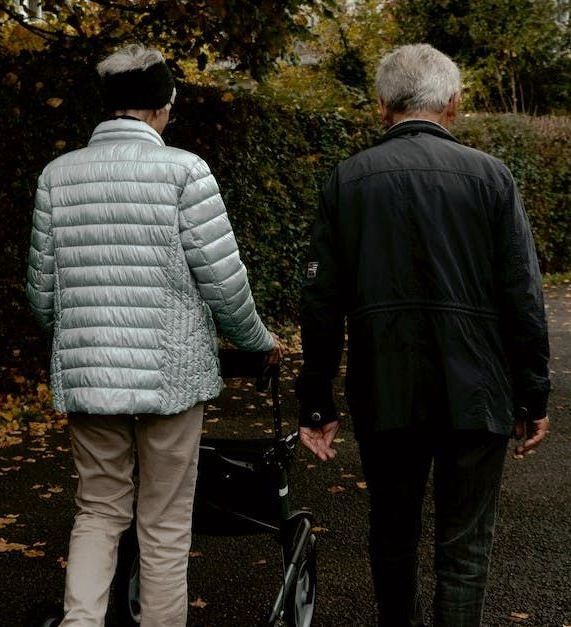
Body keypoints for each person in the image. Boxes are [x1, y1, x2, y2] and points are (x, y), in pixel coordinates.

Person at [26, 43, 283, 627]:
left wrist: (80, 342)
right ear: (163, 106)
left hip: (88, 378)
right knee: (165, 522)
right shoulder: (185, 172)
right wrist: (257, 340)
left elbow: (43, 296)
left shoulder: (55, 177)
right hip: (170, 377)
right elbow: (224, 281)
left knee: (97, 509)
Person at [296, 44, 550, 626]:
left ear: (383, 105)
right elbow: (523, 296)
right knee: (464, 548)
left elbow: (321, 301)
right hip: (478, 388)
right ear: (454, 103)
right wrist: (533, 393)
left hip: (385, 386)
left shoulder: (348, 180)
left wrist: (317, 401)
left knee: (392, 532)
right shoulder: (492, 177)